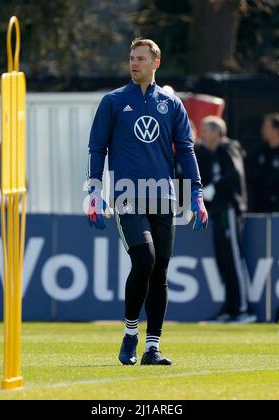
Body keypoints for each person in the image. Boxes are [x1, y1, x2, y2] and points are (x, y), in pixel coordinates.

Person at [85, 38, 208, 366]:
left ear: (156, 63)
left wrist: (196, 193)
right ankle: (130, 334)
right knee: (144, 261)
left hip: (164, 196)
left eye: (141, 58)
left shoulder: (172, 103)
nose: (134, 63)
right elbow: (97, 148)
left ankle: (153, 347)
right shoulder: (113, 102)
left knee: (160, 272)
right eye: (131, 58)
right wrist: (94, 192)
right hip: (126, 196)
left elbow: (185, 149)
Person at [200, 116, 256, 324]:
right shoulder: (213, 154)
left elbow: (235, 173)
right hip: (219, 211)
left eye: (206, 130)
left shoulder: (228, 147)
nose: (202, 135)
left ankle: (243, 309)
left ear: (217, 132)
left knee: (233, 259)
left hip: (230, 211)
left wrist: (215, 187)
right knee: (223, 261)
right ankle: (230, 308)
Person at [250, 113, 279, 212]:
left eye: (266, 127)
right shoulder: (259, 152)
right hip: (261, 206)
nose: (262, 130)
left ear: (276, 130)